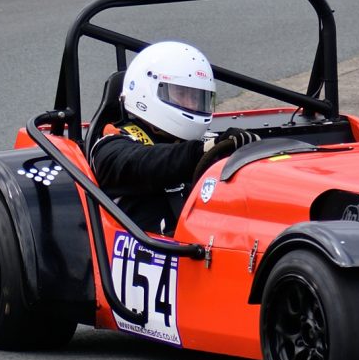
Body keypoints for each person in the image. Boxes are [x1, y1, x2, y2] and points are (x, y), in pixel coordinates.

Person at [90, 41, 254, 234]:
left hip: (208, 239)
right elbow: (147, 163)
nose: (192, 104)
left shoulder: (203, 142)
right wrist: (202, 152)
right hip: (150, 247)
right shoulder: (111, 146)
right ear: (147, 90)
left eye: (197, 97)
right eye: (182, 94)